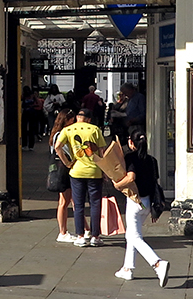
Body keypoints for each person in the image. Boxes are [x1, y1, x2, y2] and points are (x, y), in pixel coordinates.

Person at [112, 129, 170, 286]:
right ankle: (127, 268)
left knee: (133, 236)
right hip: (148, 202)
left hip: (135, 200)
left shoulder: (131, 158)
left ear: (131, 142)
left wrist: (118, 185)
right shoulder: (152, 160)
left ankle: (157, 263)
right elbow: (154, 182)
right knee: (133, 234)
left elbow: (131, 177)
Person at [56, 107, 107, 247]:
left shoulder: (68, 130)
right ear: (89, 119)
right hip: (94, 171)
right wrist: (105, 170)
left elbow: (57, 147)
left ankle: (80, 236)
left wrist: (67, 162)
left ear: (78, 117)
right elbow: (102, 151)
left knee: (78, 205)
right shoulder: (95, 129)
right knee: (95, 204)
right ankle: (95, 236)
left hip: (76, 171)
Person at [49, 108, 78, 243]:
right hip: (64, 170)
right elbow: (60, 149)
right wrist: (68, 163)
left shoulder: (56, 133)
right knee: (65, 201)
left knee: (69, 200)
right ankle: (63, 232)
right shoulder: (62, 134)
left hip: (63, 170)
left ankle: (82, 229)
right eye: (71, 120)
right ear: (66, 120)